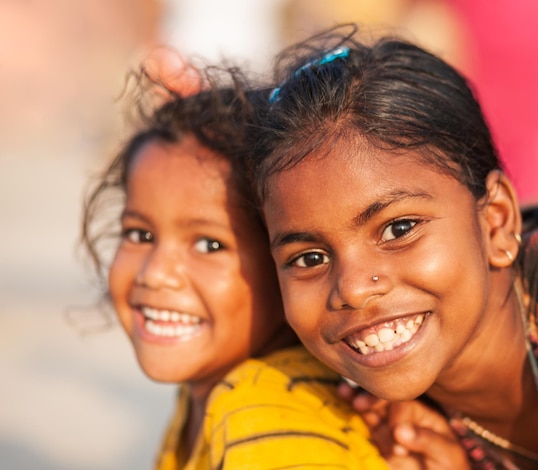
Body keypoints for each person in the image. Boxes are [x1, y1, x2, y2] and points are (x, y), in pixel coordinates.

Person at [249, 25, 538, 469]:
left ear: (496, 222)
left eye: (398, 229)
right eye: (310, 258)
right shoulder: (390, 417)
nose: (352, 288)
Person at [80, 58, 391, 469]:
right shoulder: (213, 391)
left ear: (289, 266)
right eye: (140, 235)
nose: (155, 272)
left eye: (209, 244)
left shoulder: (262, 415)